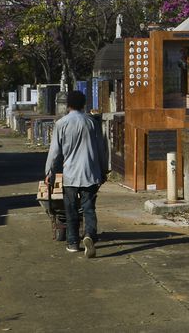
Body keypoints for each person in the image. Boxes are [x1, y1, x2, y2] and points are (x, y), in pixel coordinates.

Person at [44, 90, 108, 257]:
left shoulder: (61, 124)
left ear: (68, 105)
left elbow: (55, 152)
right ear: (83, 104)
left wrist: (49, 173)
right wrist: (103, 170)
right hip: (90, 173)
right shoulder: (92, 122)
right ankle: (89, 235)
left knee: (71, 209)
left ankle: (73, 242)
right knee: (89, 208)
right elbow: (101, 149)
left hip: (71, 174)